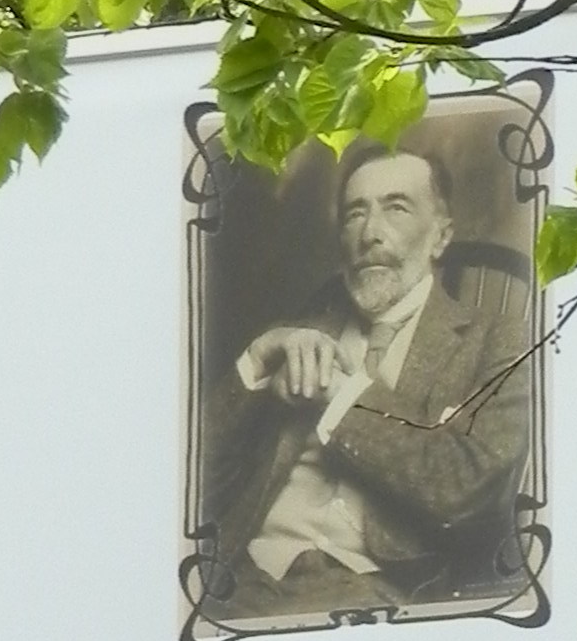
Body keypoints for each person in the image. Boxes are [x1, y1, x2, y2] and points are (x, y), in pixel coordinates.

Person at [200, 138, 532, 612]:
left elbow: (466, 490)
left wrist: (342, 396)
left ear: (441, 236)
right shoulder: (302, 332)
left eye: (396, 208)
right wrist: (253, 361)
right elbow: (196, 485)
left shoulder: (499, 343)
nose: (370, 233)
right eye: (356, 213)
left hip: (375, 592)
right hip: (242, 574)